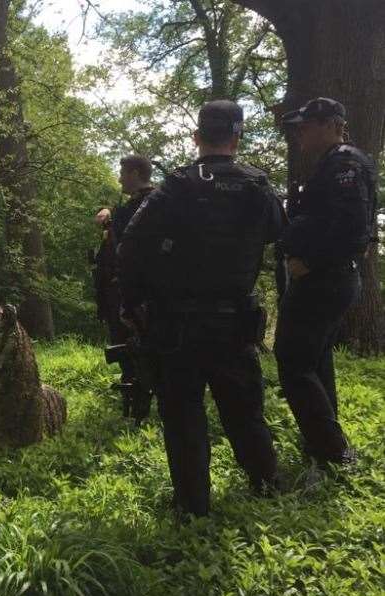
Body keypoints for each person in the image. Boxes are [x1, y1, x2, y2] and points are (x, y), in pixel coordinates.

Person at [117, 100, 283, 517]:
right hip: (234, 321)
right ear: (238, 136)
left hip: (178, 324)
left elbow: (130, 246)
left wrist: (134, 304)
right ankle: (267, 486)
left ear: (197, 138)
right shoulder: (258, 186)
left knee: (183, 414)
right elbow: (281, 235)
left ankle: (192, 508)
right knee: (245, 410)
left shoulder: (179, 185)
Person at [275, 97, 377, 474]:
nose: (299, 131)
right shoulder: (336, 163)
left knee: (292, 361)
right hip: (330, 277)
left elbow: (353, 228)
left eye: (307, 124)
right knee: (315, 361)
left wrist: (311, 261)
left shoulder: (344, 164)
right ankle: (324, 443)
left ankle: (334, 452)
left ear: (333, 124)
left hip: (323, 279)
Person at [93, 155, 154, 404]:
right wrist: (107, 210)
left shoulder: (152, 204)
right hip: (118, 285)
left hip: (136, 288)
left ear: (136, 174)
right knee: (121, 336)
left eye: (123, 173)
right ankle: (130, 381)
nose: (119, 179)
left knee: (136, 336)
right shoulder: (133, 205)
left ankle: (142, 387)